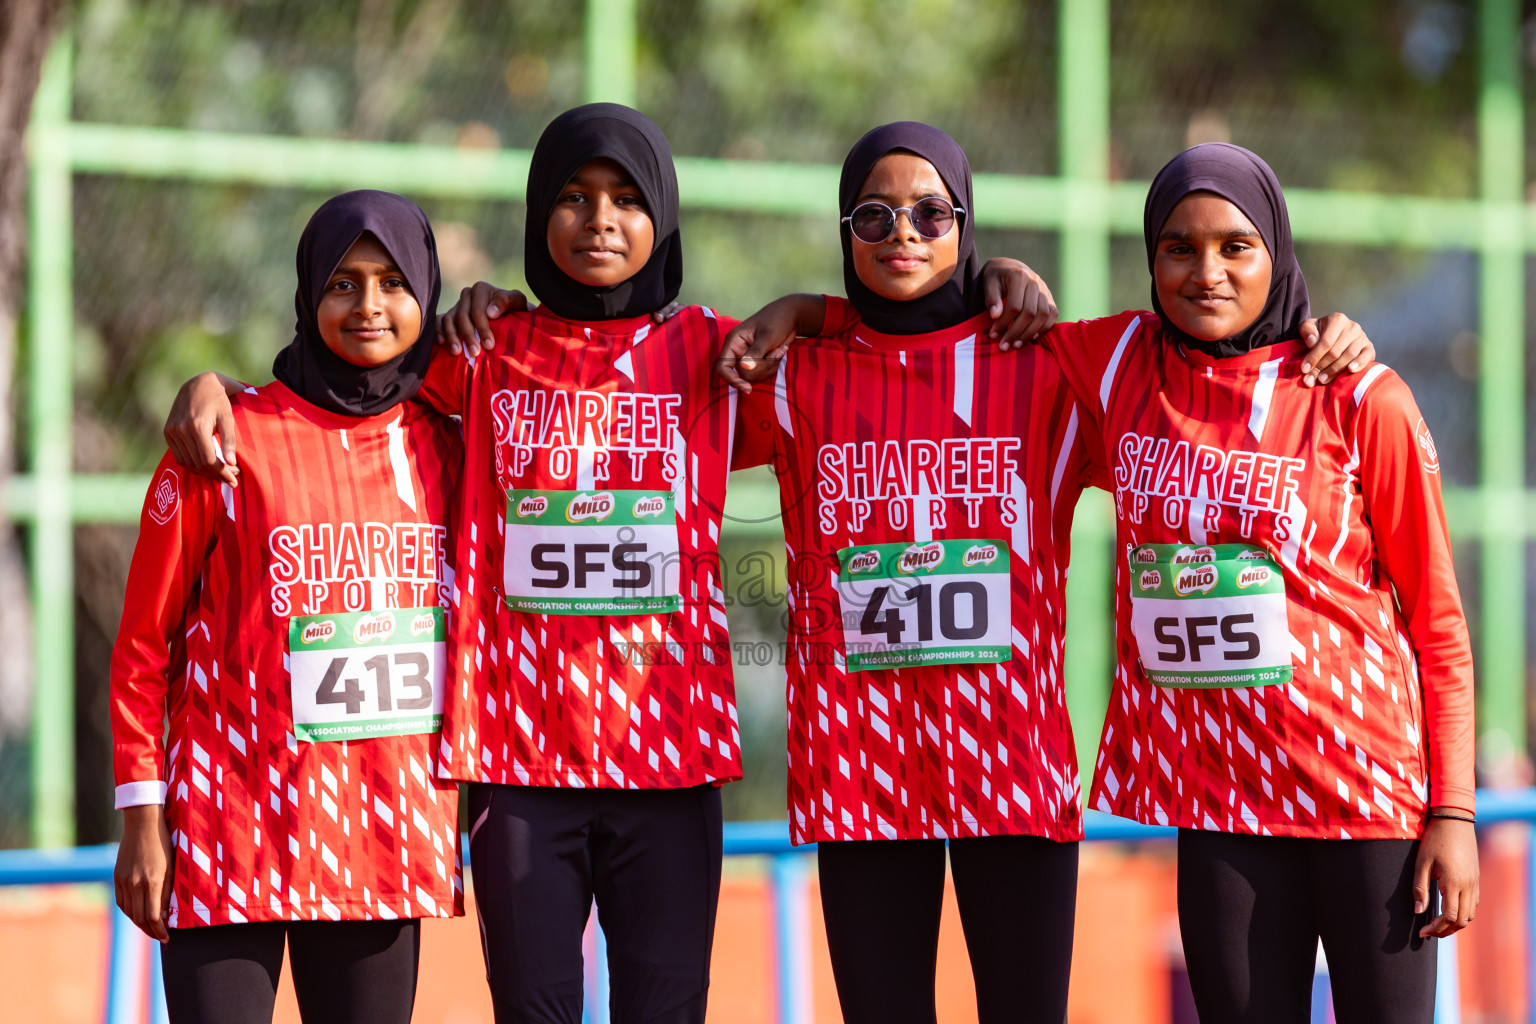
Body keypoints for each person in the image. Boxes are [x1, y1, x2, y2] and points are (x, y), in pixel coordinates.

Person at [1041, 143, 1478, 1023]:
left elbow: (1437, 623)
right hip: (1219, 802)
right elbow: (965, 327)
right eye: (1179, 247)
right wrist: (999, 276)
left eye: (1236, 245)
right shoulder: (1116, 364)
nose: (1207, 272)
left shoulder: (1360, 395)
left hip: (1366, 802)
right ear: (1150, 257)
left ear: (1277, 249)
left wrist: (1455, 815)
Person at [111, 190, 463, 1024]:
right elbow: (142, 647)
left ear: (426, 292)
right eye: (343, 283)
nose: (369, 306)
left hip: (382, 835)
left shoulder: (452, 441)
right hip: (228, 830)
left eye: (392, 283)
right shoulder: (224, 440)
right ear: (308, 294)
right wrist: (140, 817)